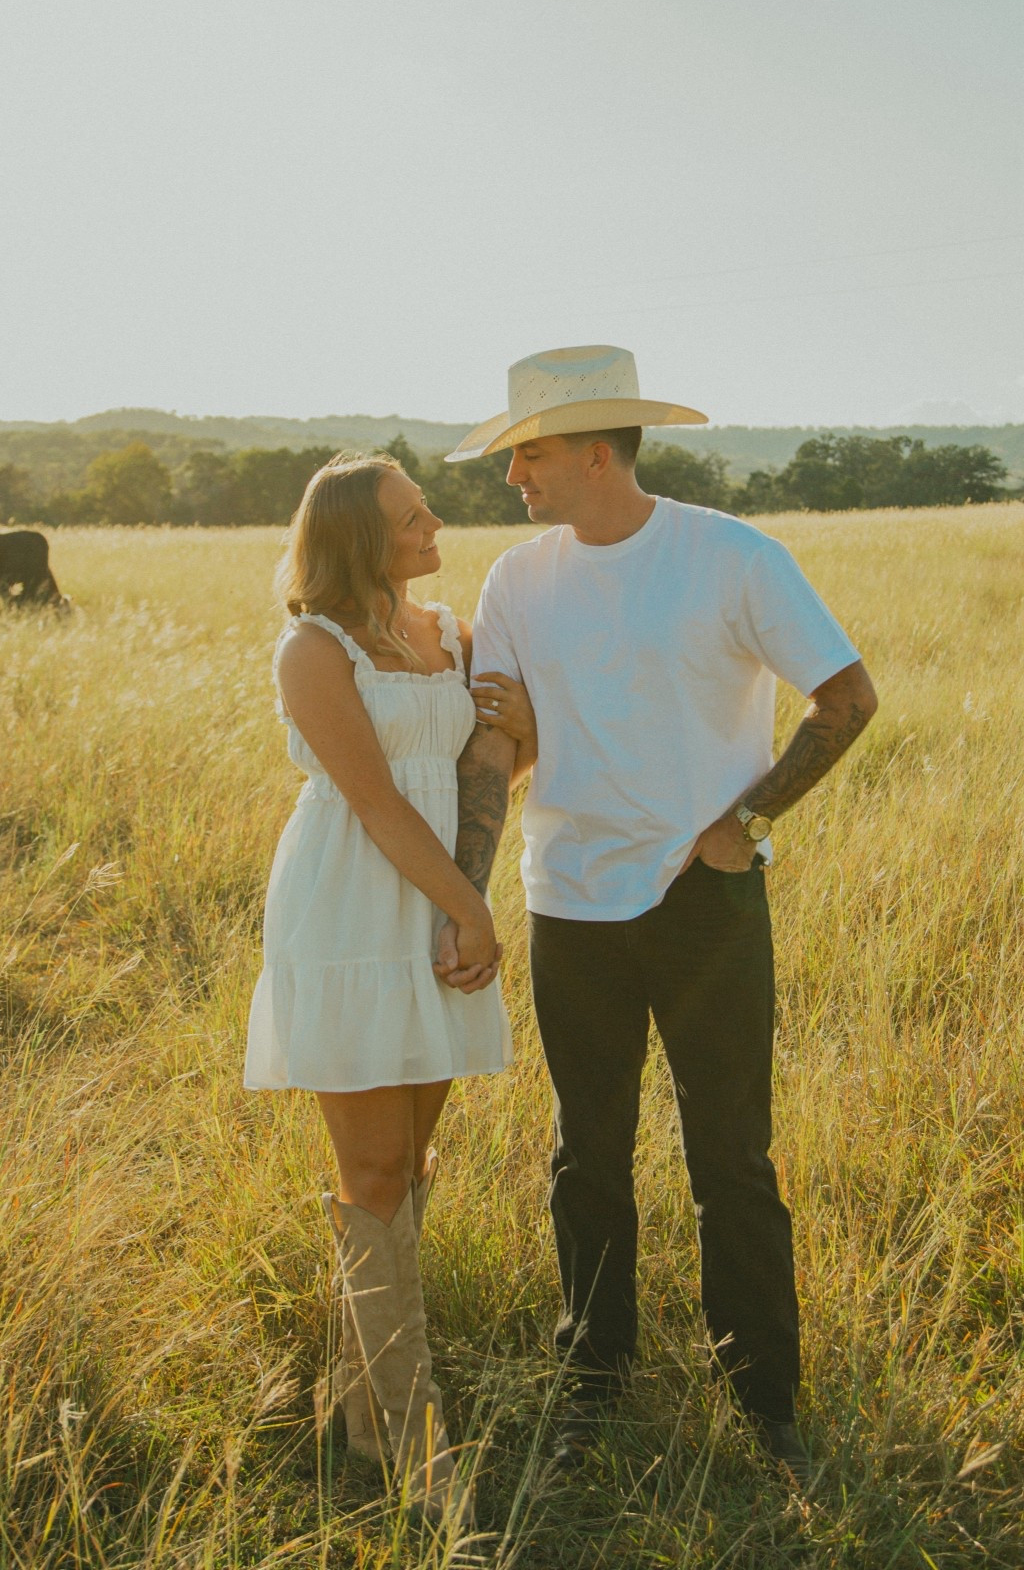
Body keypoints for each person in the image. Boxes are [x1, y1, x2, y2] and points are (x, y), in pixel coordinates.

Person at [436, 345, 878, 1486]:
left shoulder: (731, 556)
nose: (513, 475)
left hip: (703, 898)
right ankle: (592, 1388)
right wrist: (466, 891)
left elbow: (847, 696)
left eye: (529, 453)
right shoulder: (516, 580)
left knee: (732, 1155)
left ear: (598, 452)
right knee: (586, 1156)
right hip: (569, 899)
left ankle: (768, 1406)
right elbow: (496, 747)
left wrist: (745, 822)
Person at [244, 452, 521, 1526]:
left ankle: (358, 1409)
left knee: (408, 1165)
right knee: (369, 1168)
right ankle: (417, 1443)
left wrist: (518, 727)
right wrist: (472, 909)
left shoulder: (450, 632)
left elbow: (471, 767)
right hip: (353, 908)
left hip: (437, 897)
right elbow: (374, 801)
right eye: (413, 516)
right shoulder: (313, 649)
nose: (434, 523)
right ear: (362, 536)